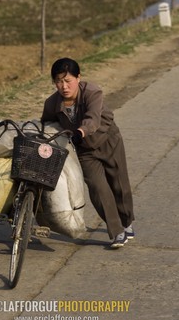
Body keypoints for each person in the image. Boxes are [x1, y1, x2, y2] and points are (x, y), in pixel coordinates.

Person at [41, 57, 135, 248]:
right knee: (98, 189)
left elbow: (92, 118)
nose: (64, 86)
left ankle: (126, 222)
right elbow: (47, 124)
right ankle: (117, 232)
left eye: (68, 80)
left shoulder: (92, 92)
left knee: (119, 185)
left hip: (108, 141)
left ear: (78, 78)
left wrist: (80, 131)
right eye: (59, 81)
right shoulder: (52, 103)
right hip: (84, 151)